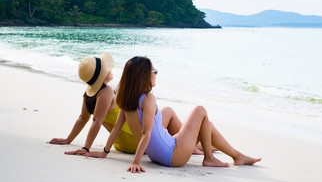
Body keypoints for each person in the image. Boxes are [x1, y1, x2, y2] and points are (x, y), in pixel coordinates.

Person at [87, 56, 261, 172]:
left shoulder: (126, 99)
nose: (156, 74)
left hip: (157, 154)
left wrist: (105, 151)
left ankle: (236, 156)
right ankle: (210, 157)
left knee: (205, 124)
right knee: (200, 110)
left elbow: (117, 127)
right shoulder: (148, 99)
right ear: (143, 77)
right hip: (172, 155)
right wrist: (136, 162)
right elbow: (145, 133)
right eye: (154, 71)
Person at [49, 52, 138, 154]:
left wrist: (68, 139)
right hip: (135, 142)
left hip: (120, 145)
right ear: (102, 74)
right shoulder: (107, 91)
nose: (111, 69)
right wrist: (86, 148)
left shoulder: (90, 93)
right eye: (107, 68)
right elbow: (97, 121)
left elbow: (83, 118)